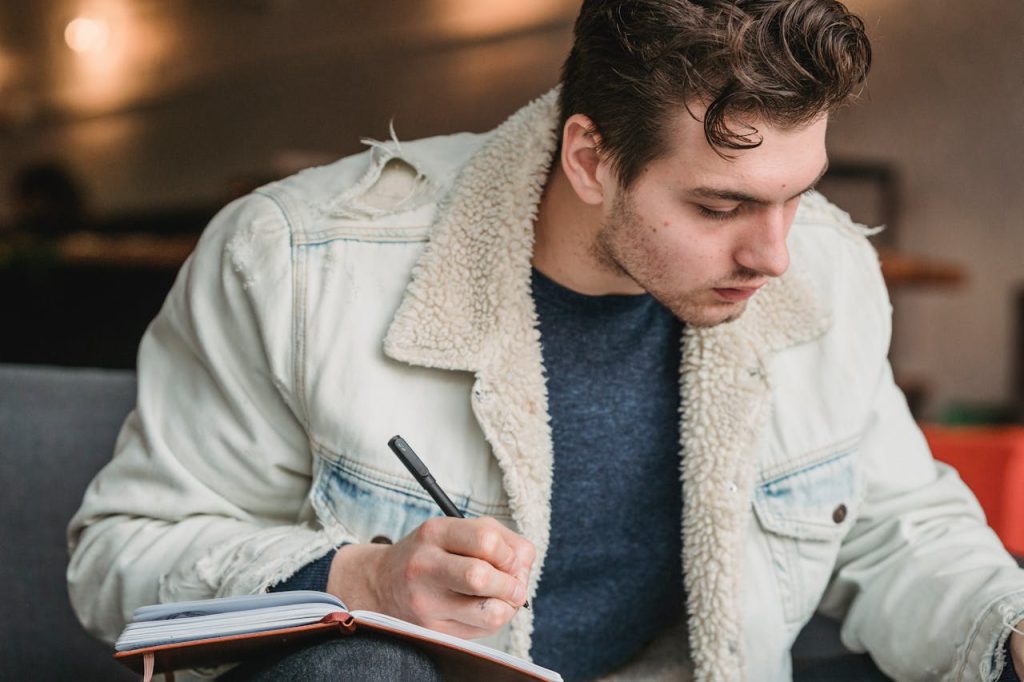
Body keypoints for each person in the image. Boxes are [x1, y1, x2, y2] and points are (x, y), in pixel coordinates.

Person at [67, 1, 1024, 680]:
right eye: (721, 204)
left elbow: (901, 533)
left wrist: (1011, 633)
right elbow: (120, 558)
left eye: (800, 192)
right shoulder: (292, 264)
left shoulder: (823, 270)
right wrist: (361, 580)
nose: (775, 253)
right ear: (591, 158)